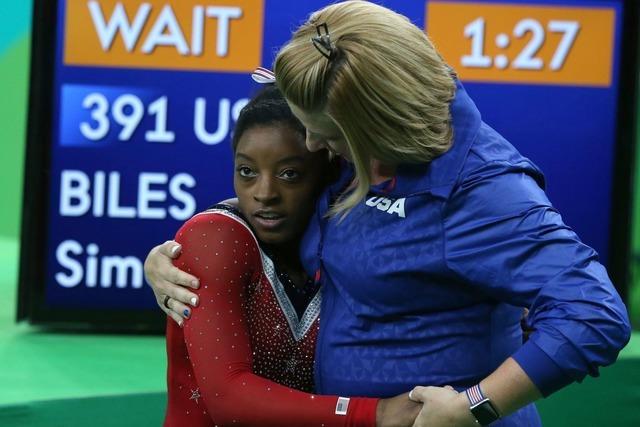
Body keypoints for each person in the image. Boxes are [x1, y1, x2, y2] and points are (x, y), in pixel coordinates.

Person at [148, 2, 631, 426]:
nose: (315, 146)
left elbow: (593, 314)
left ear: (374, 123)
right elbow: (286, 199)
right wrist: (193, 242)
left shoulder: (487, 195)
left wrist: (475, 406)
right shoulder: (355, 147)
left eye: (327, 136)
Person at [160, 81, 420, 427]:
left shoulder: (354, 240)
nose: (264, 193)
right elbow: (228, 400)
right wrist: (378, 414)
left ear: (328, 172)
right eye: (247, 171)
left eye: (289, 174)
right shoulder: (215, 238)